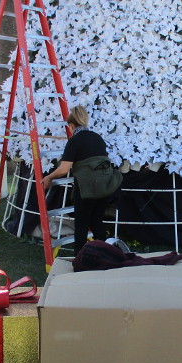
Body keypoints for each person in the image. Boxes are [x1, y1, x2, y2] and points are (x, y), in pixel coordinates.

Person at [43, 105, 119, 256]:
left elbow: (64, 169)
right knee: (97, 221)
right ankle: (106, 254)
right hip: (104, 185)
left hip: (86, 188)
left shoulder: (74, 141)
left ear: (71, 125)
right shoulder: (97, 138)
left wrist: (49, 177)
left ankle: (80, 257)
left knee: (81, 224)